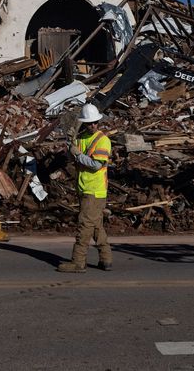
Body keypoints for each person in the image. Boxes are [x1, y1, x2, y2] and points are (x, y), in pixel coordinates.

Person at [57, 103, 113, 273]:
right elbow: (71, 157)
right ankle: (106, 259)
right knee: (96, 226)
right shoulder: (81, 139)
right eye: (89, 123)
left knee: (85, 226)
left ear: (99, 122)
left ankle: (78, 262)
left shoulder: (103, 140)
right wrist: (70, 143)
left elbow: (95, 165)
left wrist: (77, 153)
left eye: (95, 122)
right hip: (84, 189)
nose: (92, 125)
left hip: (94, 191)